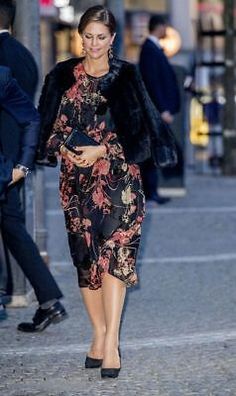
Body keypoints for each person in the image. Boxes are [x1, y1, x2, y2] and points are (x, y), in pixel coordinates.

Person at [37, 5, 176, 378]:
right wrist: (62, 147)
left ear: (112, 39)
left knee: (115, 256)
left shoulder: (127, 77)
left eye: (102, 37)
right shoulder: (62, 76)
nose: (94, 44)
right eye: (88, 36)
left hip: (119, 180)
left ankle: (111, 340)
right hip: (76, 183)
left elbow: (144, 134)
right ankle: (97, 333)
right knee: (87, 260)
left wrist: (104, 149)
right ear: (79, 37)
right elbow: (45, 128)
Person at [0, 65, 68, 329]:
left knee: (13, 227)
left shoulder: (4, 75)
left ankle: (48, 302)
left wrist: (22, 167)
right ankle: (50, 302)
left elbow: (31, 118)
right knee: (13, 228)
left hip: (5, 174)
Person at [139, 15, 180, 205]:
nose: (167, 30)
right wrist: (162, 109)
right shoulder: (149, 49)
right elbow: (152, 82)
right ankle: (149, 191)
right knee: (152, 151)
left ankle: (152, 191)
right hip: (155, 111)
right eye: (165, 26)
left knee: (154, 151)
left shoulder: (153, 48)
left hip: (157, 110)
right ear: (159, 27)